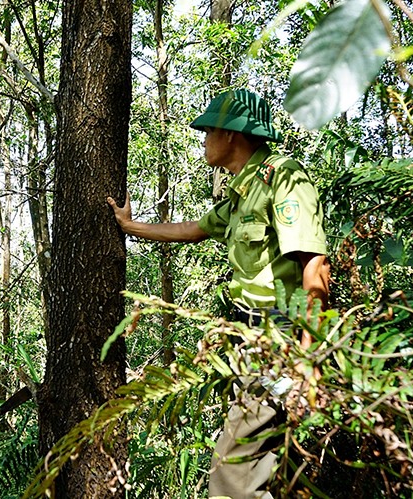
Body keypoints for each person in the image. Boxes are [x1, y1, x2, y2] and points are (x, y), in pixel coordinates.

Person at [107, 89, 330, 498]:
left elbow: (314, 265)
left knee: (231, 472)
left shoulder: (282, 177)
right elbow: (193, 229)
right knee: (260, 466)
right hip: (248, 341)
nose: (204, 139)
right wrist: (130, 226)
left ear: (231, 134)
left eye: (208, 130)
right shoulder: (242, 190)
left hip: (278, 340)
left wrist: (308, 359)